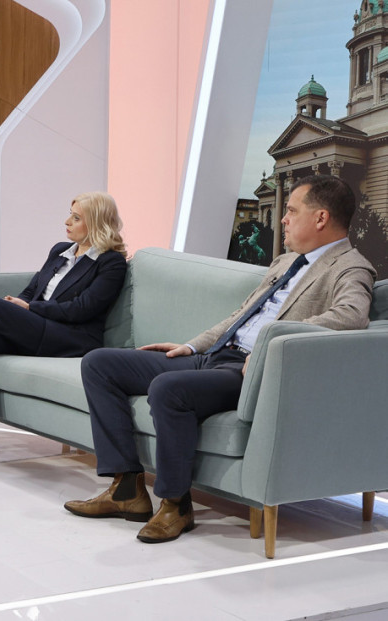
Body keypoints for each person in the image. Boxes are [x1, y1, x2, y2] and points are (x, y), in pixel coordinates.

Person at [66, 174, 375, 544]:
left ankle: (175, 505)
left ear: (321, 218)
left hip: (249, 371)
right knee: (100, 364)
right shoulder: (285, 262)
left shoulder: (350, 266)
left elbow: (350, 317)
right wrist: (192, 345)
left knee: (168, 388)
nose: (283, 218)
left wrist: (269, 345)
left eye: (292, 211)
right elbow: (240, 315)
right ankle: (126, 491)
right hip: (215, 355)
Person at [0, 191, 129, 462]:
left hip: (71, 337)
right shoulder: (60, 251)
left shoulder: (111, 263)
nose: (67, 221)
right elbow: (33, 290)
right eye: (69, 214)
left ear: (97, 223)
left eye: (76, 218)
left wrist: (30, 309)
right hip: (40, 326)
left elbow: (82, 308)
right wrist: (18, 304)